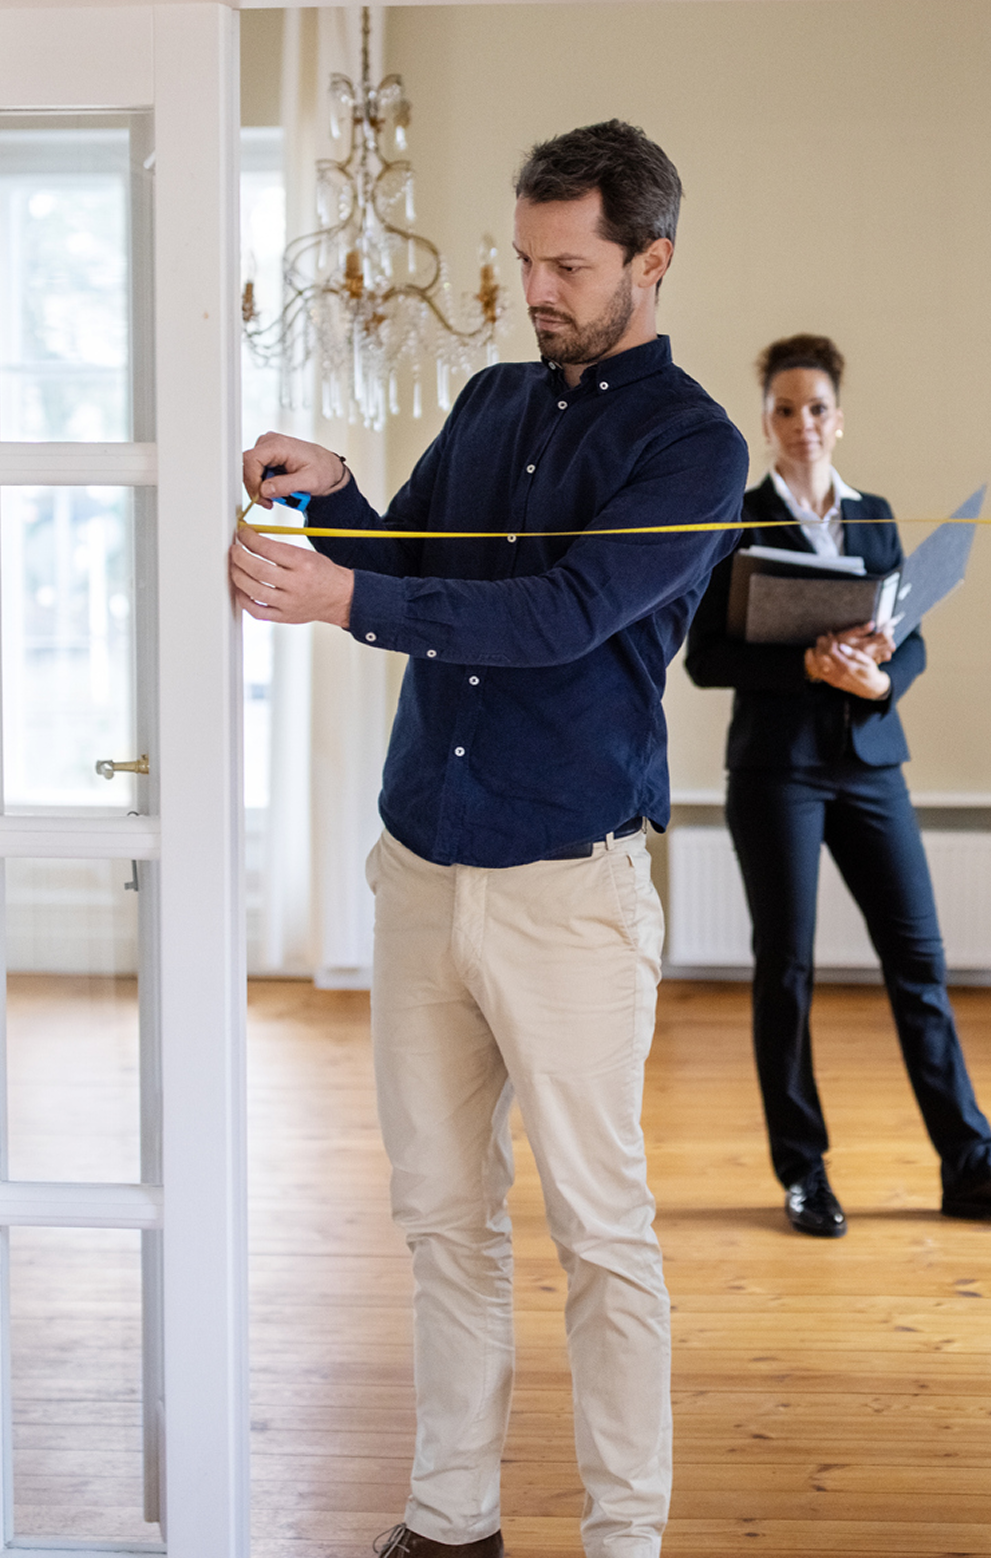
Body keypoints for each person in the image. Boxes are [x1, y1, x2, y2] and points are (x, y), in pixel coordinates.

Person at [229, 121, 749, 1558]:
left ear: (651, 261)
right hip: (421, 867)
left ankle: (623, 1536)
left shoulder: (694, 443)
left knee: (600, 1228)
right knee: (440, 1218)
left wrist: (337, 598)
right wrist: (336, 498)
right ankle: (449, 1520)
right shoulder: (489, 401)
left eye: (569, 264)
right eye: (524, 260)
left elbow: (559, 619)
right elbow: (415, 570)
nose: (538, 289)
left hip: (568, 888)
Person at [684, 333, 991, 1239]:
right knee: (786, 969)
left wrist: (882, 675)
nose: (803, 423)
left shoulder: (876, 514)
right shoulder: (734, 520)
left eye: (817, 407)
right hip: (775, 770)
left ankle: (969, 1165)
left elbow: (913, 632)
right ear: (766, 420)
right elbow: (706, 659)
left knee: (919, 964)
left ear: (838, 417)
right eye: (785, 408)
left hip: (871, 763)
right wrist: (810, 666)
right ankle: (804, 1172)